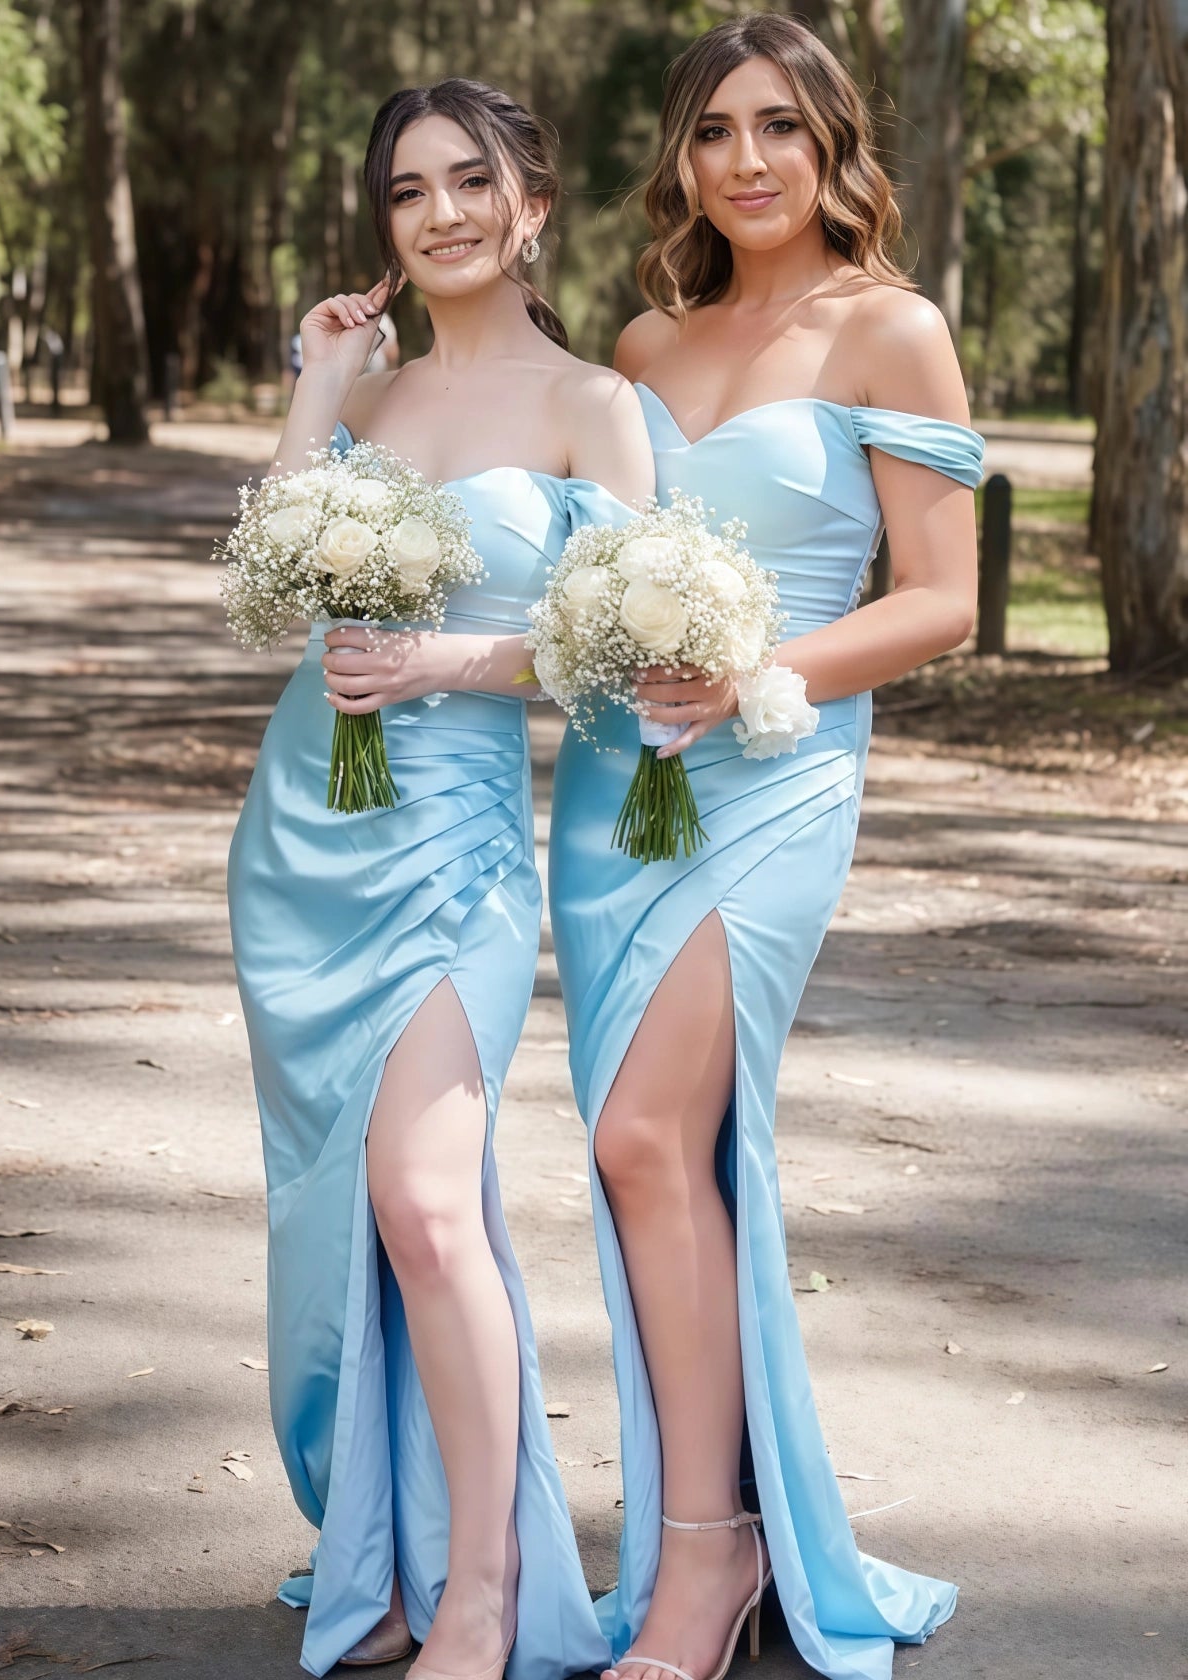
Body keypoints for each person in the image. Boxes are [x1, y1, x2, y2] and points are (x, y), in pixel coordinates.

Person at [548, 15, 984, 1680]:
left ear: (832, 146)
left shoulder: (895, 329)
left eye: (781, 128)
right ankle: (711, 1524)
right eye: (717, 129)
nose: (747, 160)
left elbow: (942, 601)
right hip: (616, 781)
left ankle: (708, 1559)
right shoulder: (646, 346)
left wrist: (758, 674)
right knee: (650, 1152)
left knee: (654, 1139)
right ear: (681, 156)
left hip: (781, 773)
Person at [228, 76, 652, 1680]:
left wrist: (448, 661)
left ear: (533, 200)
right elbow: (271, 592)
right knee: (336, 1209)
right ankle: (377, 1551)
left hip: (457, 844)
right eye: (408, 192)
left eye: (470, 181)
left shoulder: (593, 406)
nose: (442, 213)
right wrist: (319, 390)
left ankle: (482, 1586)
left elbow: (624, 650)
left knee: (423, 1196)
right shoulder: (375, 387)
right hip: (303, 837)